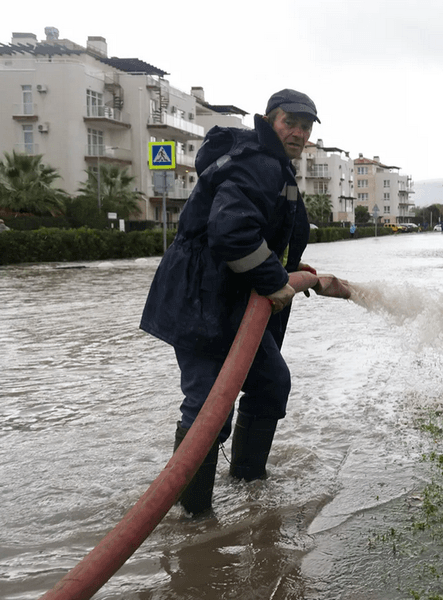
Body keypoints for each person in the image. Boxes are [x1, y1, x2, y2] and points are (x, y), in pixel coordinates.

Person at [140, 89, 349, 516]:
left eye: (306, 127)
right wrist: (275, 280)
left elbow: (258, 231)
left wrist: (292, 270)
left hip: (231, 301)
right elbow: (231, 233)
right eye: (291, 122)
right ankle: (195, 520)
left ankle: (248, 486)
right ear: (269, 120)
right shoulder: (259, 162)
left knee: (270, 383)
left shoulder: (269, 163)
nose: (299, 132)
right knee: (207, 408)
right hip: (203, 301)